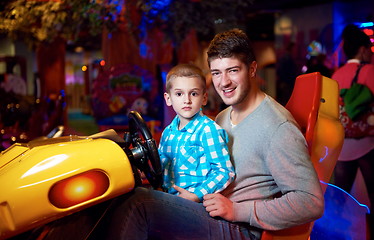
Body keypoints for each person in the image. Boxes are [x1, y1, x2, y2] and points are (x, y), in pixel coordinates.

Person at [105, 29, 324, 240]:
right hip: (207, 211)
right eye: (217, 73)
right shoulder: (222, 117)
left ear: (252, 69)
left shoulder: (278, 127)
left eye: (233, 70)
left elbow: (310, 202)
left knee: (139, 204)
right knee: (121, 194)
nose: (224, 82)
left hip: (239, 227)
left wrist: (238, 211)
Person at [158, 63, 235, 202]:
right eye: (179, 94)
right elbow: (161, 167)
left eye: (193, 93)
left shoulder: (208, 130)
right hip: (169, 199)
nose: (187, 100)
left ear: (204, 98)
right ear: (168, 99)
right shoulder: (167, 133)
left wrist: (196, 195)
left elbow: (224, 172)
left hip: (195, 204)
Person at [332, 24, 374, 214]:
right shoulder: (369, 71)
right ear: (363, 49)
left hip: (342, 146)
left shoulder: (336, 74)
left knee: (340, 199)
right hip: (367, 143)